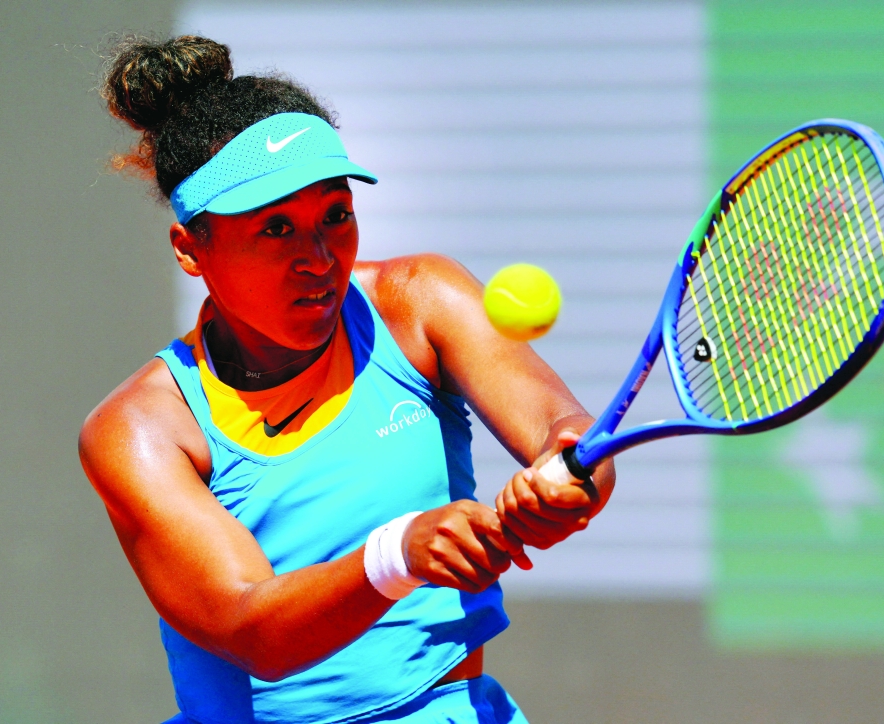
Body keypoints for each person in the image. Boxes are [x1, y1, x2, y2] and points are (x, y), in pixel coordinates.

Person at [79, 35, 614, 724]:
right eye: (276, 229)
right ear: (191, 250)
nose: (319, 256)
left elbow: (565, 431)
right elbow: (251, 629)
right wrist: (398, 554)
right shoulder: (140, 428)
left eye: (336, 215)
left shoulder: (418, 301)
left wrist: (570, 475)